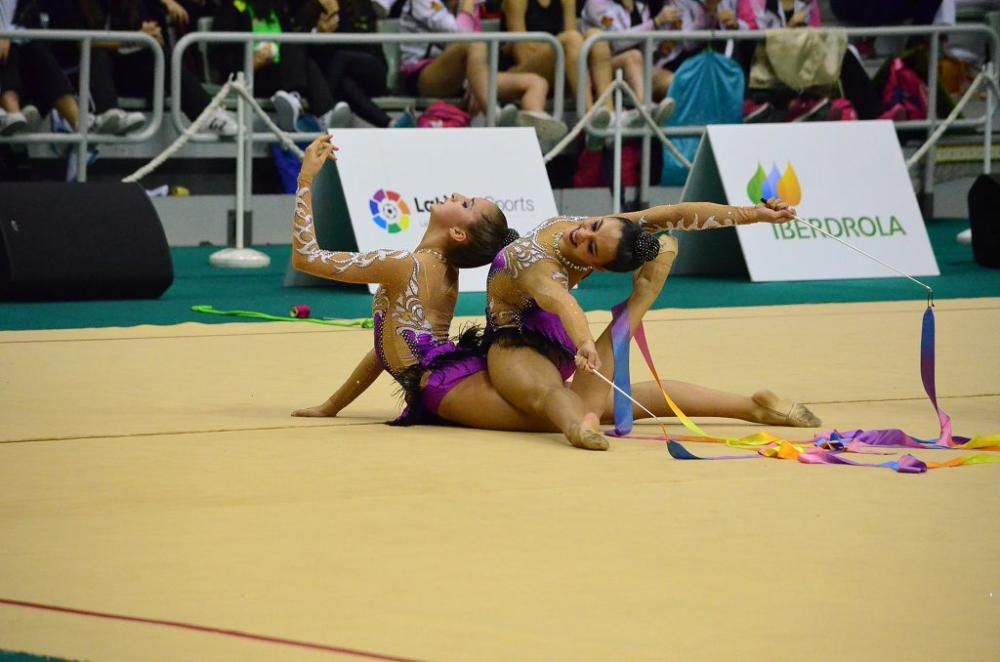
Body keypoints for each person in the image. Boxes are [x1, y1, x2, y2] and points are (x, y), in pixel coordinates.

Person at [292, 136, 821, 450]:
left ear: (458, 233)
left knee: (558, 405)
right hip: (471, 360)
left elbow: (307, 258)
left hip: (454, 376)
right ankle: (749, 406)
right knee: (610, 399)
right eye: (470, 199)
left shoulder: (404, 264)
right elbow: (384, 346)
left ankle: (579, 427)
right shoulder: (446, 269)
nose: (457, 196)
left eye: (467, 201)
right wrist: (331, 405)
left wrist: (305, 180)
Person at [479, 193, 819, 449]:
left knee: (571, 404)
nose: (582, 235)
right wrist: (752, 213)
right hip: (551, 329)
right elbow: (673, 213)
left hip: (515, 338)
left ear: (597, 268)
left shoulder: (536, 263)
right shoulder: (572, 236)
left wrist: (584, 342)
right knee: (617, 403)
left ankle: (580, 424)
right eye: (593, 226)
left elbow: (564, 302)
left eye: (592, 249)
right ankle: (751, 407)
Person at [43, 0, 239, 136]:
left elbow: (144, 32)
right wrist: (131, 40)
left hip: (119, 72)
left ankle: (207, 114)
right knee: (96, 53)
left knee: (156, 53)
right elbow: (77, 41)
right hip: (76, 73)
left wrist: (152, 36)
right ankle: (109, 112)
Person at [399, 0, 567, 140]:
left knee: (537, 82)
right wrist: (467, 5)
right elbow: (459, 33)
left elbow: (477, 53)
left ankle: (534, 130)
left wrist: (477, 81)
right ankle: (494, 114)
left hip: (466, 78)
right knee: (474, 43)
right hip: (424, 73)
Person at [213, 0, 347, 131]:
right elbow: (220, 60)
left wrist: (319, 32)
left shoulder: (275, 9)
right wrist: (252, 61)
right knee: (295, 51)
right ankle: (313, 106)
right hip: (250, 76)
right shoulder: (230, 9)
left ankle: (315, 109)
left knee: (304, 58)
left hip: (281, 75)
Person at [295, 0, 414, 128]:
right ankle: (390, 124)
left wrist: (338, 14)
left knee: (341, 58)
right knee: (345, 84)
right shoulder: (308, 7)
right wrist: (318, 33)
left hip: (371, 68)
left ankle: (324, 112)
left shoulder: (360, 4)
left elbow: (357, 44)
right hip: (338, 75)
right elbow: (304, 51)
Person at [0, 0, 86, 136]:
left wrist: (6, 33)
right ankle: (12, 116)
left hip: (24, 74)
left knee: (36, 50)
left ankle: (80, 122)